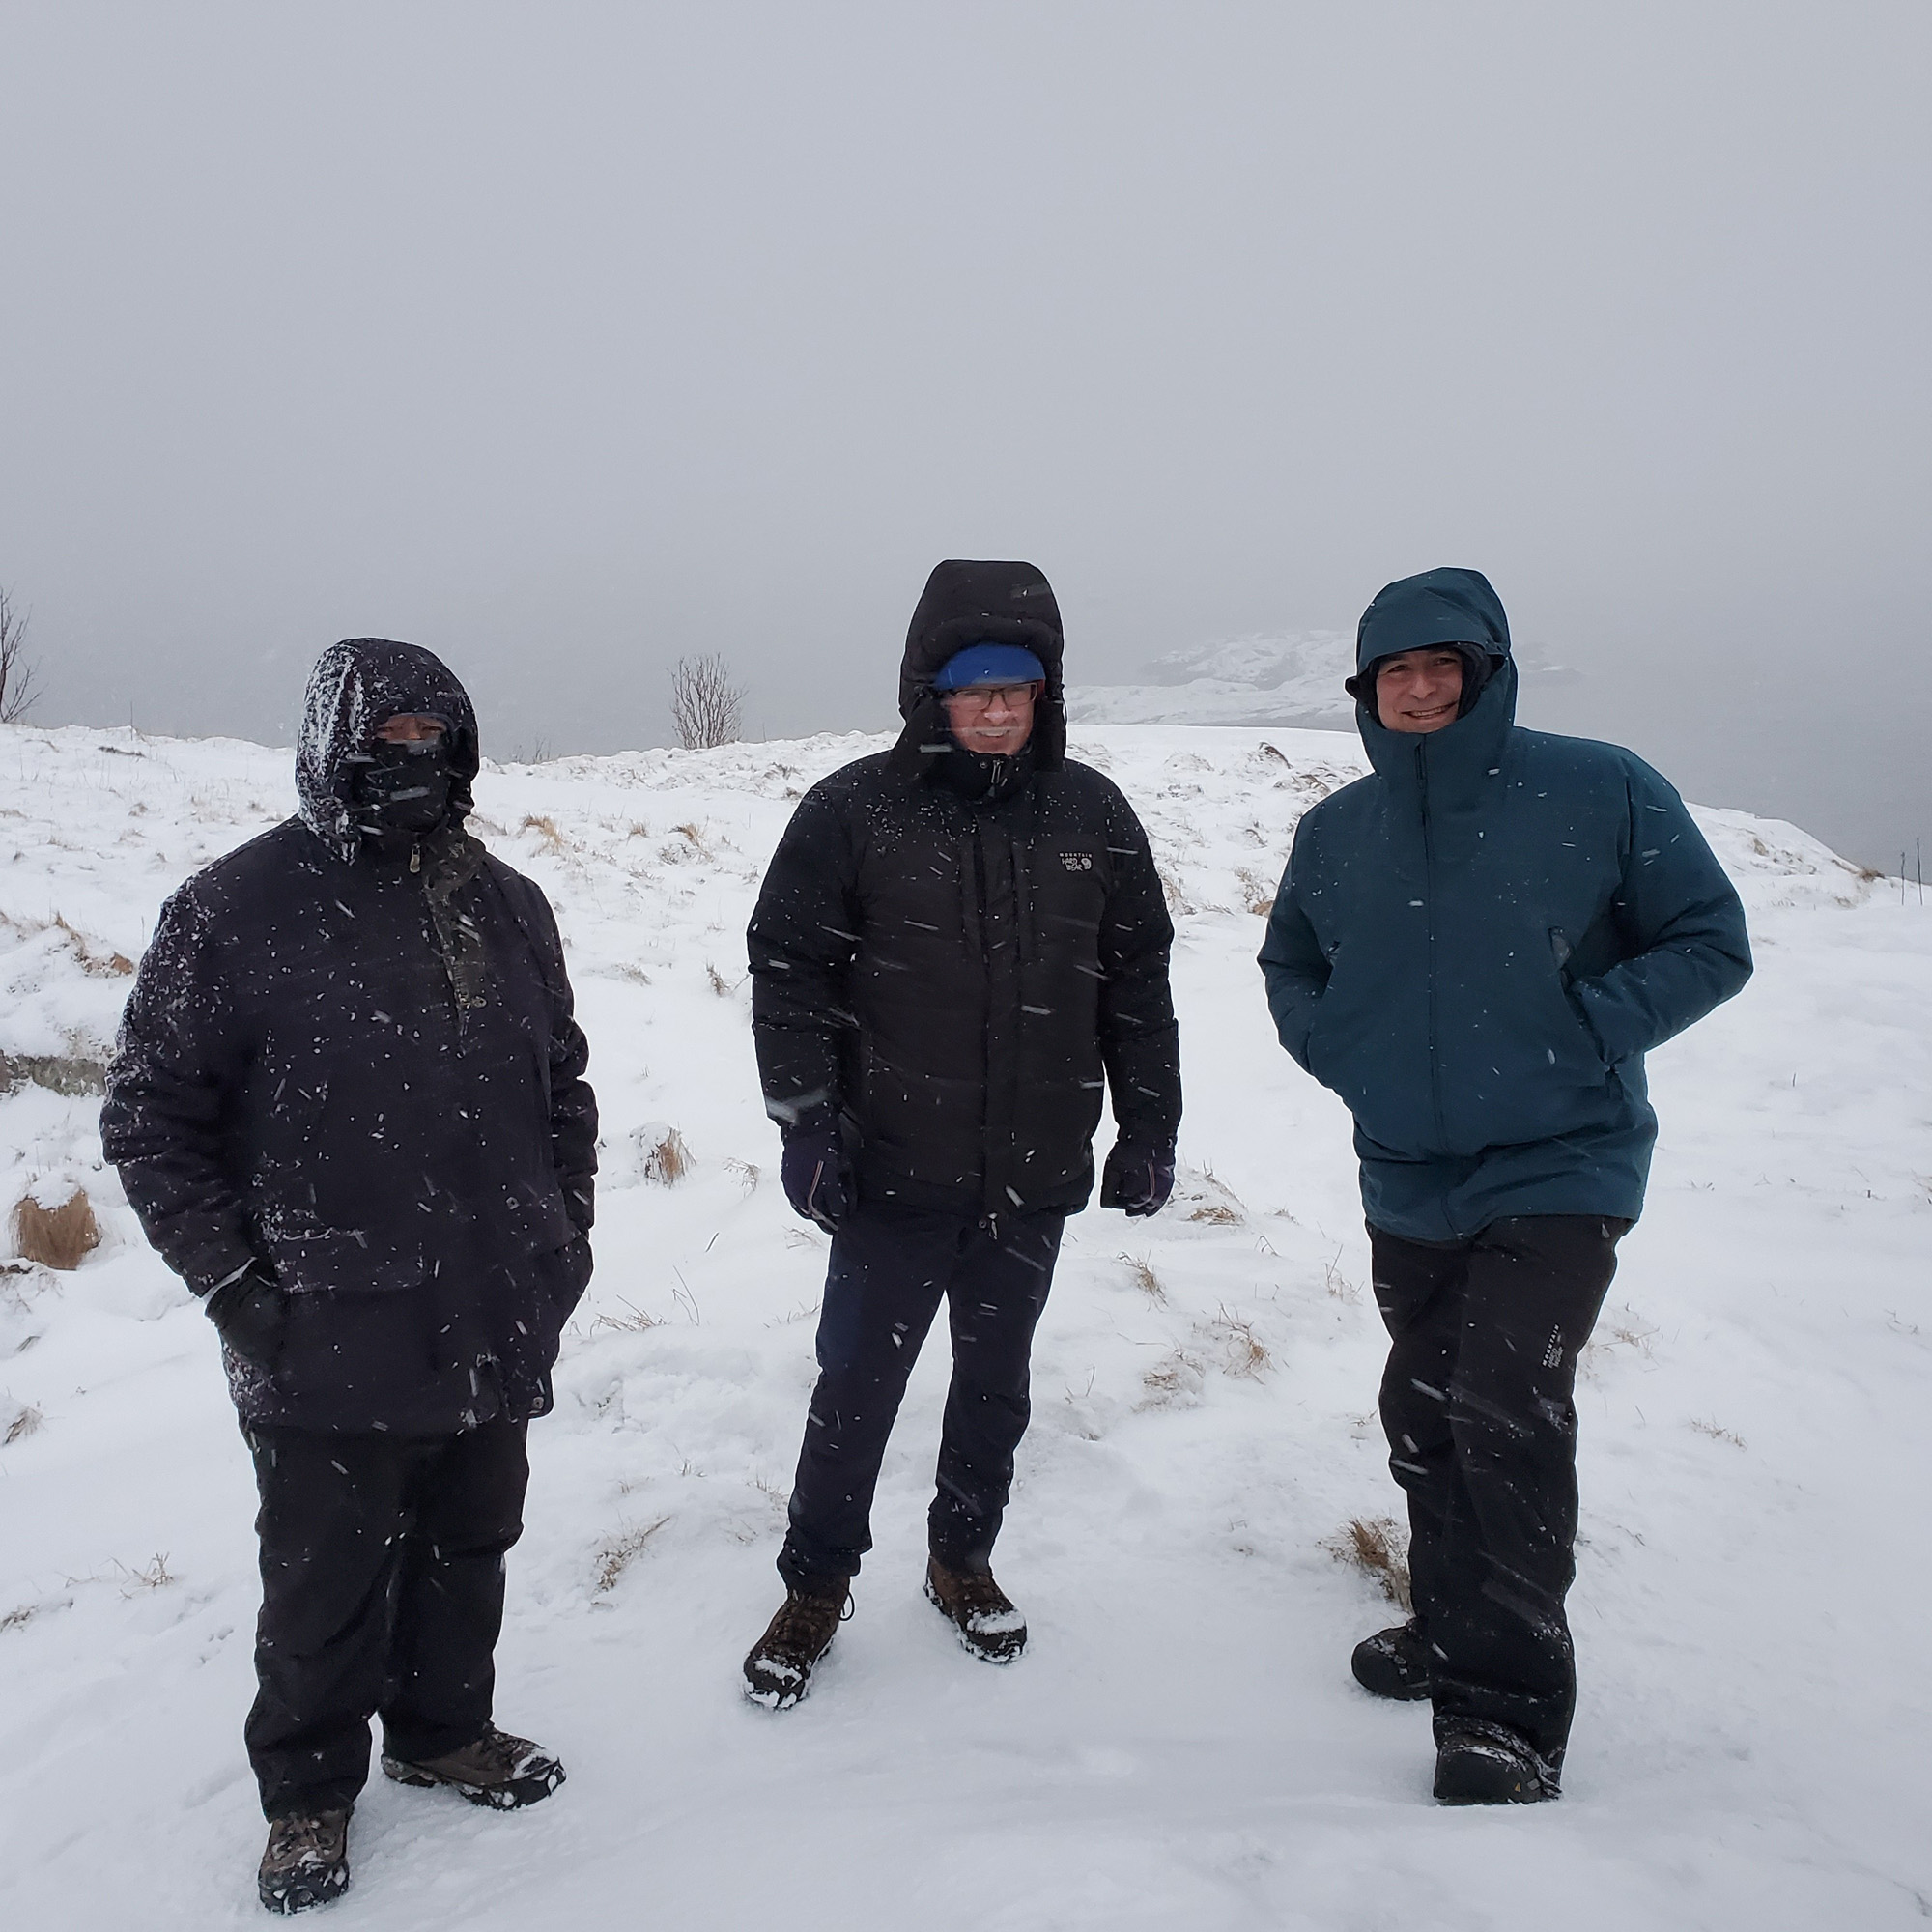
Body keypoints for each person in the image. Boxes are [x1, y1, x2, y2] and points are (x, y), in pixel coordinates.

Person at [100, 639, 597, 1913]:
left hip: (490, 1305)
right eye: (389, 737)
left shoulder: (508, 902)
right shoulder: (232, 911)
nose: (413, 760)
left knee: (470, 1544)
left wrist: (563, 1234)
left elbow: (561, 1087)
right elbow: (151, 1117)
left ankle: (443, 1733)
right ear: (333, 746)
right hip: (322, 1326)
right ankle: (309, 1796)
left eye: (436, 736)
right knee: (325, 1580)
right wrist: (233, 1287)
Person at [1258, 568, 1751, 1805]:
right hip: (1407, 1171)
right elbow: (1290, 963)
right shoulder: (1338, 831)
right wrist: (1342, 1048)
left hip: (1560, 1158)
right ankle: (1447, 1626)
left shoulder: (1597, 788)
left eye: (1442, 668)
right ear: (1367, 691)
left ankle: (1507, 1711)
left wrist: (1582, 1025)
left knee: (1502, 1405)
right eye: (1393, 674)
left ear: (1485, 674)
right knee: (1423, 1413)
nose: (1419, 690)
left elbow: (1709, 938)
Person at [741, 558, 1181, 1706]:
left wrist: (1147, 1123)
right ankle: (816, 1581)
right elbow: (788, 967)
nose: (995, 708)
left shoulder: (1090, 814)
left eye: (1017, 687)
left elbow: (1136, 981)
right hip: (892, 1170)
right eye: (972, 687)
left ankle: (961, 1557)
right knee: (856, 1389)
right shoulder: (855, 810)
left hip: (1029, 1171)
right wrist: (806, 1119)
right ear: (927, 691)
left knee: (995, 1380)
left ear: (1045, 695)